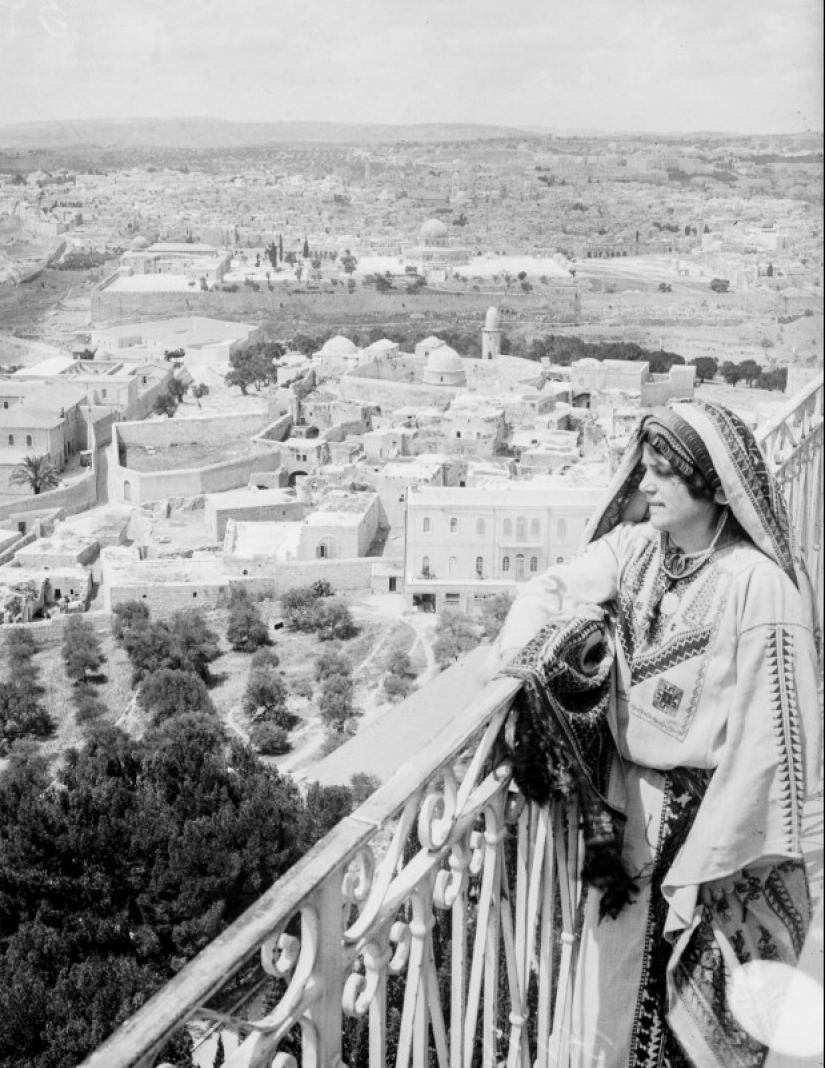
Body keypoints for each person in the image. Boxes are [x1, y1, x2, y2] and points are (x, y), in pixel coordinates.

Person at [491, 399, 821, 1068]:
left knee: (692, 1017)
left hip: (714, 834)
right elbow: (549, 590)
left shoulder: (755, 588)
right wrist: (544, 652)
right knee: (614, 1003)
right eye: (643, 470)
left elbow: (770, 751)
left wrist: (710, 864)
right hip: (629, 817)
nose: (643, 487)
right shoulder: (638, 549)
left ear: (711, 482)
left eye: (662, 473)